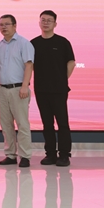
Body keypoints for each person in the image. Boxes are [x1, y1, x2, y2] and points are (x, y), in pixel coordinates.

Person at [32, 10, 76, 167]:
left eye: (49, 20)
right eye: (43, 20)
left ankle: (64, 155)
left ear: (55, 24)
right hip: (41, 90)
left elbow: (71, 62)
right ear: (39, 22)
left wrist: (62, 80)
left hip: (59, 90)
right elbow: (30, 65)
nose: (45, 23)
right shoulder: (33, 43)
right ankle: (50, 154)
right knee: (47, 124)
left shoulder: (62, 42)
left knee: (62, 123)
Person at [0, 14, 35, 168]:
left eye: (7, 24)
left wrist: (25, 86)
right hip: (2, 89)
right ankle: (10, 154)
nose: (3, 27)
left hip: (19, 89)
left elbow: (29, 66)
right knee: (6, 124)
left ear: (14, 25)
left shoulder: (24, 43)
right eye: (1, 25)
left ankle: (25, 156)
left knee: (22, 124)